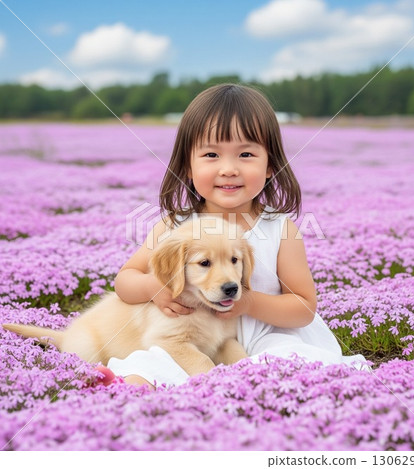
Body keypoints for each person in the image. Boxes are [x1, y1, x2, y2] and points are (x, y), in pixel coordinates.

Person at [100, 83, 366, 389]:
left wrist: (249, 304)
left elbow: (304, 308)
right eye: (212, 154)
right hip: (196, 341)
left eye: (246, 154)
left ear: (270, 166)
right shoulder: (175, 225)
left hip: (268, 336)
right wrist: (154, 286)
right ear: (188, 165)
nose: (228, 169)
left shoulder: (280, 229)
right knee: (155, 361)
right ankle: (124, 392)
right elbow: (125, 281)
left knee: (287, 362)